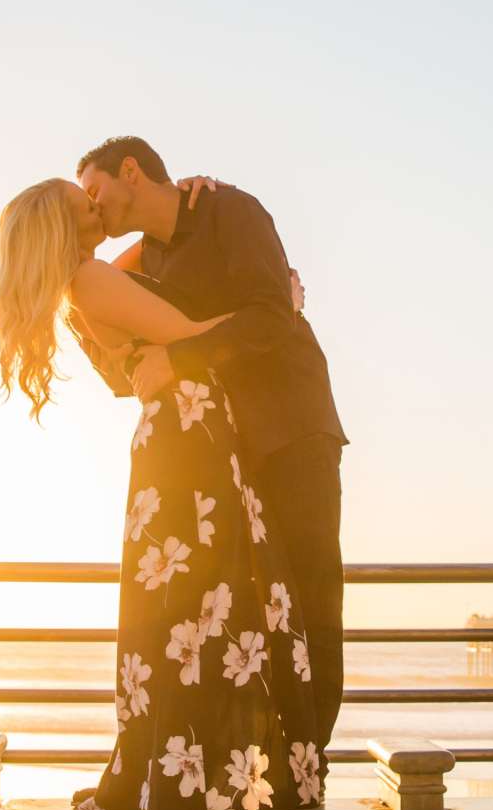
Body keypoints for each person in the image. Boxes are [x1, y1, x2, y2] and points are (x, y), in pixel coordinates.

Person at [0, 178, 324, 810]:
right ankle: (185, 779)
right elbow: (193, 333)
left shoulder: (88, 280)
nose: (93, 203)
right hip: (186, 437)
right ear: (62, 221)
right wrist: (283, 305)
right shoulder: (89, 279)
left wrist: (163, 209)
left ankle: (174, 771)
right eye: (79, 198)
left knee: (186, 611)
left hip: (179, 436)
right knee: (201, 604)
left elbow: (148, 259)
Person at [71, 136, 348, 747]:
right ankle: (266, 756)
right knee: (253, 607)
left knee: (310, 594)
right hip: (227, 444)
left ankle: (313, 756)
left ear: (131, 170)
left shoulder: (231, 211)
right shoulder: (151, 254)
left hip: (292, 426)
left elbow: (274, 319)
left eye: (95, 192)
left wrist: (177, 356)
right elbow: (120, 358)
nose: (92, 208)